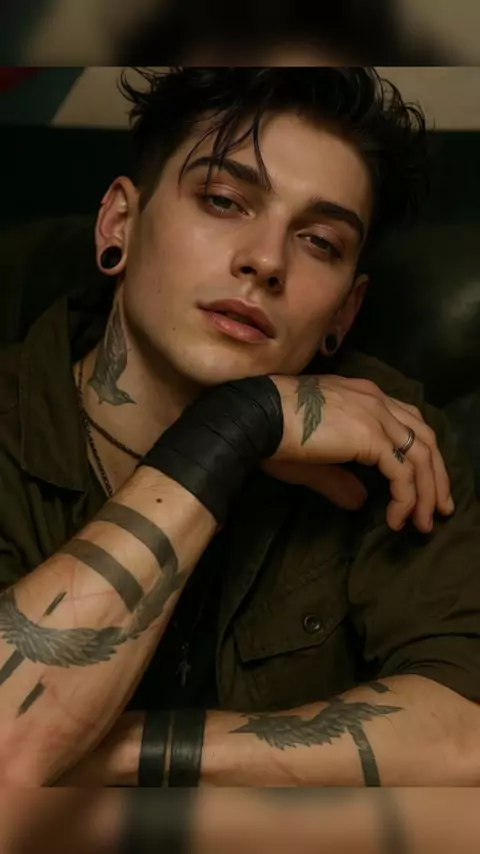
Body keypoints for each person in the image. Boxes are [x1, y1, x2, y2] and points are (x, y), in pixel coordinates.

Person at [0, 67, 479, 789]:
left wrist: (98, 752)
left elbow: (464, 737)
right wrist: (228, 432)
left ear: (345, 313)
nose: (266, 260)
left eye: (320, 241)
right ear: (119, 222)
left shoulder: (395, 435)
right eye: (223, 201)